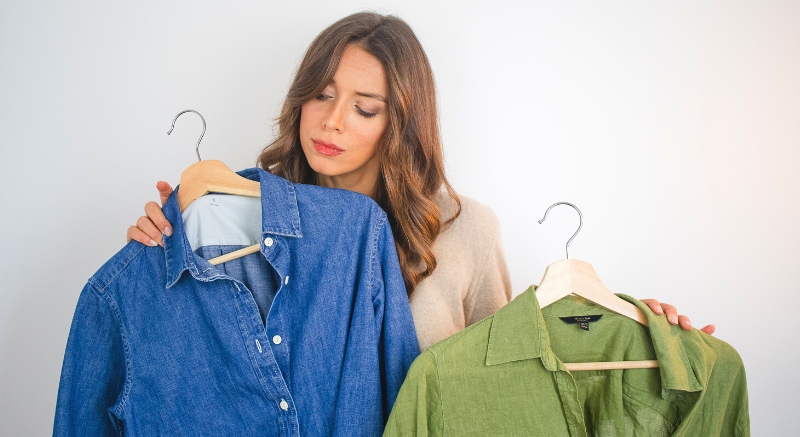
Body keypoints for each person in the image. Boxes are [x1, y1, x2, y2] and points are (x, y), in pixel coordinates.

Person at [126, 12, 714, 350]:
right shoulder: (244, 214)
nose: (331, 121)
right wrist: (163, 242)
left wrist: (630, 327)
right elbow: (204, 353)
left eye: (365, 107)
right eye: (321, 95)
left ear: (401, 121)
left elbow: (510, 373)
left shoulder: (466, 229)